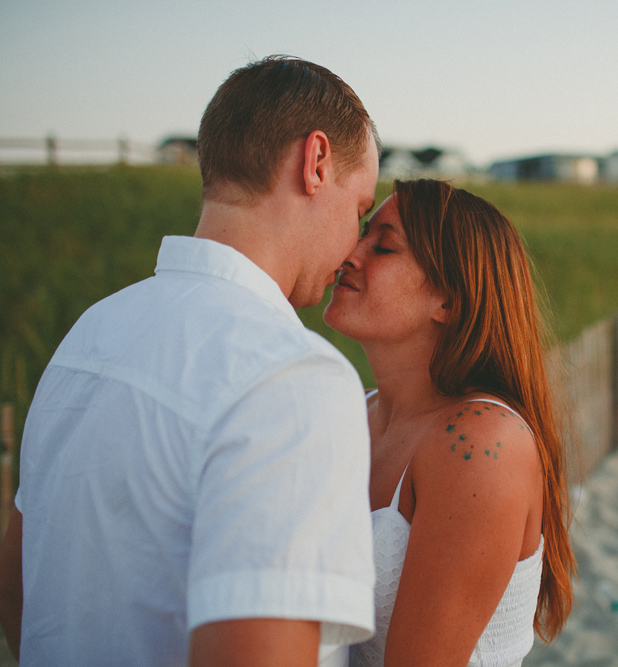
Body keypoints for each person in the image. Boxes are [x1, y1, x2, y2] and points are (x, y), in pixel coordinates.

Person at [0, 56, 380, 667]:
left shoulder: (89, 335)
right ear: (316, 163)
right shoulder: (293, 375)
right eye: (359, 208)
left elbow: (18, 581)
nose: (354, 241)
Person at [323, 179, 575, 667]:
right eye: (361, 235)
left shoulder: (482, 443)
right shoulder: (350, 411)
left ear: (449, 301)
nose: (348, 254)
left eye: (384, 246)